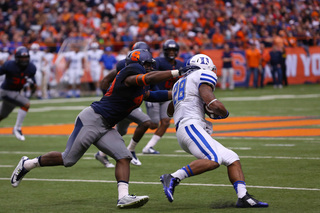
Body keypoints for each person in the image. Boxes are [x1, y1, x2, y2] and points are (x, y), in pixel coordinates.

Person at [10, 49, 197, 208]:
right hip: (93, 119)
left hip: (106, 125)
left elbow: (154, 94)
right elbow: (147, 78)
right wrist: (177, 72)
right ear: (137, 63)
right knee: (68, 159)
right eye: (147, 64)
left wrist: (180, 92)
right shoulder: (130, 73)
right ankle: (27, 164)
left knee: (123, 157)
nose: (150, 67)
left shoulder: (138, 83)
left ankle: (123, 197)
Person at [160, 53, 269, 208]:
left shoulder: (179, 83)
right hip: (191, 126)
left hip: (186, 128)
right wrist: (222, 112)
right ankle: (173, 177)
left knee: (231, 158)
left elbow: (170, 111)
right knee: (213, 158)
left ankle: (243, 197)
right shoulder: (203, 75)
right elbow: (211, 101)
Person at [96, 41, 154, 166]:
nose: (147, 62)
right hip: (122, 104)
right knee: (145, 122)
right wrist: (110, 100)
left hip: (130, 104)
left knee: (121, 132)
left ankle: (101, 154)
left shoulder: (150, 66)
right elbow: (105, 81)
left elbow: (149, 90)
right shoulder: (124, 65)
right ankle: (131, 150)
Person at [143, 39, 184, 154]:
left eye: (173, 50)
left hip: (167, 95)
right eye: (169, 50)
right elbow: (151, 77)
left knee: (166, 122)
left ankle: (148, 147)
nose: (171, 52)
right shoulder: (158, 62)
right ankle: (136, 117)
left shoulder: (179, 64)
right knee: (153, 124)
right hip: (154, 94)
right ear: (165, 51)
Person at [0, 46, 37, 141]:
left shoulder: (31, 68)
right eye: (22, 58)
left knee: (2, 115)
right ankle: (17, 128)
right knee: (26, 104)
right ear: (17, 58)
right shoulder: (9, 65)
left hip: (15, 93)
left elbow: (33, 88)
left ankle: (16, 128)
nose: (24, 60)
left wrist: (32, 84)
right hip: (4, 91)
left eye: (26, 58)